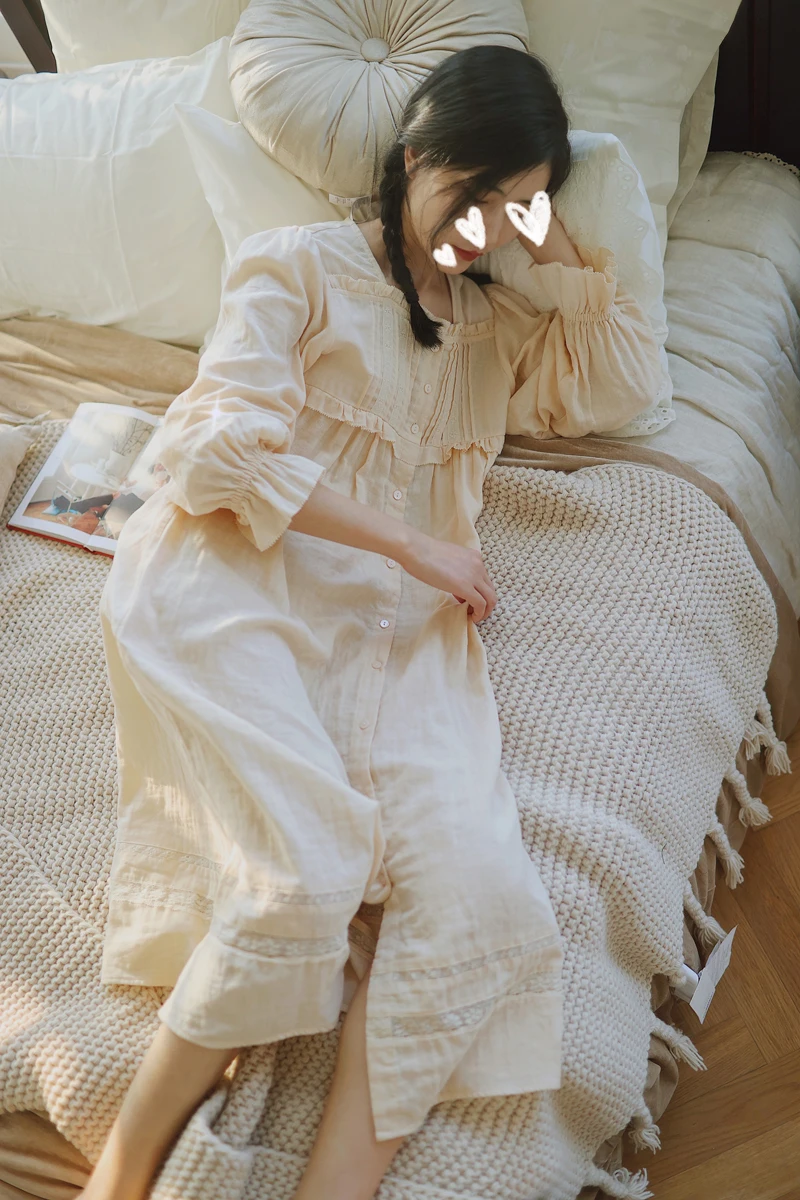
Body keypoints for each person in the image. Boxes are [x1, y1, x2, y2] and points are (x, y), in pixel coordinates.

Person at [82, 44, 663, 1200]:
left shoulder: (491, 332)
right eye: (471, 193)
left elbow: (626, 383)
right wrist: (412, 542)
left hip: (397, 641)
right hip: (236, 585)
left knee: (479, 903)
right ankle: (121, 1176)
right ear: (412, 157)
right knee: (302, 878)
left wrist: (555, 233)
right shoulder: (294, 265)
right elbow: (207, 452)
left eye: (511, 209)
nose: (480, 231)